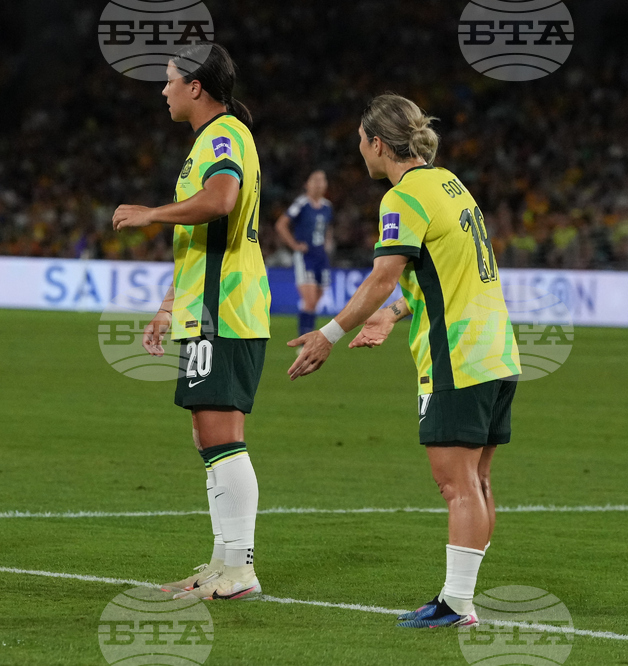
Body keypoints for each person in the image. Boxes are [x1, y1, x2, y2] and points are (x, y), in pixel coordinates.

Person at [287, 94, 521, 628]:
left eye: (360, 142)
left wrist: (328, 334)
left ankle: (457, 605)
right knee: (478, 481)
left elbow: (384, 274)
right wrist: (392, 317)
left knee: (455, 483)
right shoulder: (450, 184)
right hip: (497, 349)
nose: (359, 153)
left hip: (455, 355)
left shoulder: (402, 197)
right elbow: (437, 273)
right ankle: (460, 598)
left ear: (376, 142)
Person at [112, 42, 271, 601]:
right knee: (210, 434)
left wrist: (151, 213)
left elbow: (221, 200)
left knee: (223, 434)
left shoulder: (224, 137)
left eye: (170, 79)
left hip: (225, 310)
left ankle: (241, 568)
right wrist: (167, 305)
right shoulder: (211, 139)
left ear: (195, 87)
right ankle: (223, 563)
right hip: (208, 307)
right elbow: (200, 242)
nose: (164, 89)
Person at [274, 170, 335, 338]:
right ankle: (304, 338)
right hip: (305, 257)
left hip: (321, 257)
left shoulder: (327, 206)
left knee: (315, 301)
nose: (319, 183)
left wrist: (328, 242)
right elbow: (281, 224)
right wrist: (294, 245)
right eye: (315, 180)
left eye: (322, 180)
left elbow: (328, 227)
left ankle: (308, 336)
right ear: (307, 184)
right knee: (308, 300)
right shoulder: (301, 203)